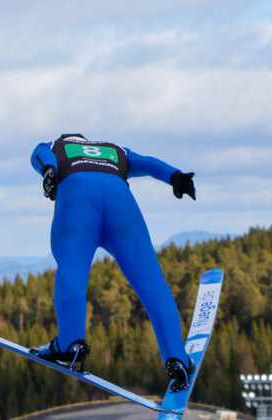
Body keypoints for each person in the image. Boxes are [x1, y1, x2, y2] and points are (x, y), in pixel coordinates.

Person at [28, 134, 197, 391]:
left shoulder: (55, 145)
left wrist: (49, 170)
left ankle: (71, 344)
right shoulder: (115, 149)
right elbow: (148, 163)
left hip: (77, 200)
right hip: (121, 205)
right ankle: (177, 359)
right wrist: (176, 177)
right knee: (151, 282)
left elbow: (39, 157)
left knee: (72, 273)